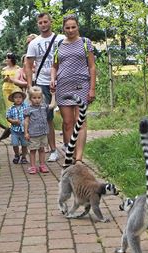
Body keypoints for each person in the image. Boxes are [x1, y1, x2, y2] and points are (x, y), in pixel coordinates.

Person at [50, 14, 96, 164]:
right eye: (67, 27)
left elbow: (92, 66)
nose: (70, 30)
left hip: (82, 84)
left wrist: (92, 89)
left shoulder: (85, 42)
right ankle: (72, 153)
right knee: (68, 123)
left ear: (77, 27)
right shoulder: (58, 45)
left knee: (80, 121)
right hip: (63, 86)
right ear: (63, 28)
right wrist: (52, 79)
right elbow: (54, 66)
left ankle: (79, 158)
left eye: (73, 27)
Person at [25, 12, 65, 162]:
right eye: (40, 22)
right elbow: (28, 66)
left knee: (67, 116)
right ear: (38, 24)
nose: (43, 25)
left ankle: (67, 144)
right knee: (46, 117)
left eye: (45, 22)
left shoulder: (61, 39)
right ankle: (53, 149)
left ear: (51, 22)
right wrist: (30, 86)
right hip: (42, 82)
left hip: (62, 80)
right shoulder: (34, 43)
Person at [23, 86, 57, 174]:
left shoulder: (43, 106)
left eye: (39, 97)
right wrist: (26, 132)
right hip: (33, 134)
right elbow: (26, 122)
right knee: (33, 150)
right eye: (34, 98)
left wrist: (53, 95)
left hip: (43, 133)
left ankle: (42, 165)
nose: (37, 100)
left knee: (42, 150)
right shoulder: (28, 110)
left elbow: (52, 105)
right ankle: (33, 166)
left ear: (42, 98)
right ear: (30, 99)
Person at [6, 89, 29, 164]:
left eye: (20, 97)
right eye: (16, 97)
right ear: (13, 99)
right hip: (14, 130)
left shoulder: (25, 107)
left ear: (22, 98)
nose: (18, 99)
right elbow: (8, 117)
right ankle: (17, 155)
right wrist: (13, 121)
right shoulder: (11, 108)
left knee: (24, 144)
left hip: (24, 130)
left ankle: (24, 157)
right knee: (15, 143)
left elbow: (28, 116)